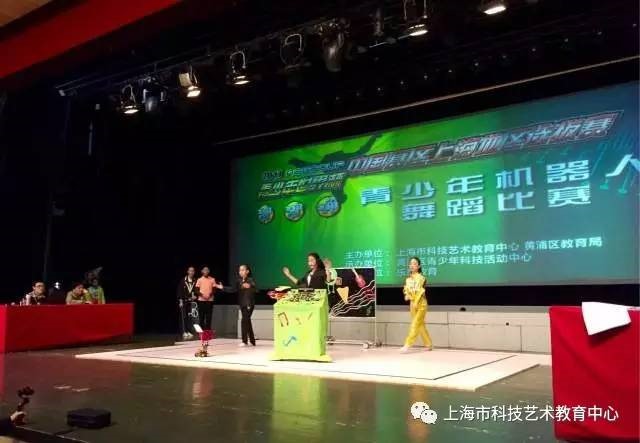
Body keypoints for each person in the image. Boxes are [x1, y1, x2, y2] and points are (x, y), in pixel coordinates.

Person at [400, 257, 433, 352]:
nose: (412, 265)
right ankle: (428, 344)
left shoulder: (421, 278)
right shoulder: (408, 279)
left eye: (414, 263)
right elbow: (406, 290)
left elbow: (420, 291)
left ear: (418, 266)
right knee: (420, 324)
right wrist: (407, 295)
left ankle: (407, 344)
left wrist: (415, 301)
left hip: (421, 303)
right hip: (412, 304)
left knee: (415, 324)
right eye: (411, 263)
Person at [220, 264, 257, 347]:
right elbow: (233, 289)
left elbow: (255, 288)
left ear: (247, 271)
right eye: (240, 270)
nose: (241, 271)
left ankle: (244, 341)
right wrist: (222, 287)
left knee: (244, 321)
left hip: (249, 304)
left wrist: (250, 286)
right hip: (242, 304)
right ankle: (252, 341)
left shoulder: (250, 280)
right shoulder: (239, 281)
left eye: (243, 270)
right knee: (247, 321)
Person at [176, 266, 197, 340]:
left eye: (193, 271)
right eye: (190, 271)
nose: (191, 272)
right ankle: (183, 332)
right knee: (183, 317)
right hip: (183, 301)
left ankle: (189, 331)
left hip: (191, 301)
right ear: (188, 272)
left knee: (189, 317)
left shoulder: (195, 281)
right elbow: (179, 291)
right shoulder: (183, 280)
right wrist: (180, 301)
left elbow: (195, 291)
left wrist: (195, 296)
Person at [195, 266, 218, 332]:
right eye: (204, 270)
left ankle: (208, 331)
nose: (206, 271)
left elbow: (214, 289)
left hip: (209, 301)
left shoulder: (212, 279)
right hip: (201, 301)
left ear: (209, 271)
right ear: (202, 271)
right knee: (201, 316)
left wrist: (209, 295)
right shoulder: (199, 279)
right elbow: (196, 290)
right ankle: (201, 331)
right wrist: (202, 295)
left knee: (209, 316)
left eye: (207, 270)